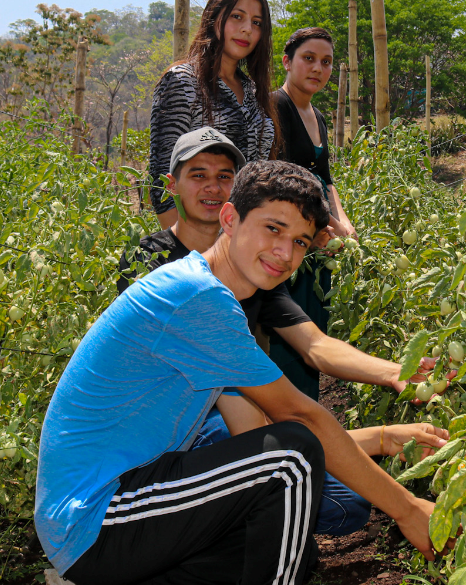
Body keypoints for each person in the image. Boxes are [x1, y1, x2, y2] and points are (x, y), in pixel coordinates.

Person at [37, 161, 450, 584]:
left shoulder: (209, 295)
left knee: (289, 535)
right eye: (273, 228)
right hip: (95, 521)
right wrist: (408, 510)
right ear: (230, 219)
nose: (285, 252)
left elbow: (255, 434)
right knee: (290, 461)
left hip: (118, 505)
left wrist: (383, 439)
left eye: (300, 241)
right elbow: (299, 419)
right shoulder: (197, 297)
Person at [119, 127, 445, 537]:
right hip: (177, 431)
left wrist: (395, 372)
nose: (212, 186)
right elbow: (273, 421)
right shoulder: (163, 269)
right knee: (295, 488)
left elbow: (314, 344)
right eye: (198, 175)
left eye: (224, 176)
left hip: (233, 409)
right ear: (173, 186)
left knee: (345, 504)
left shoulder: (256, 263)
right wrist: (385, 456)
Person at [149, 0, 279, 230]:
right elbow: (161, 180)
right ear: (213, 18)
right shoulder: (183, 81)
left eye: (257, 23)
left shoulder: (253, 91)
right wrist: (187, 247)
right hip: (198, 237)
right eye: (237, 16)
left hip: (244, 236)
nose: (247, 29)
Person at [270, 27, 356, 399]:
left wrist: (343, 221)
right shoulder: (276, 106)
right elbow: (282, 177)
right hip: (292, 233)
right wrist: (325, 223)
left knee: (314, 321)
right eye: (309, 59)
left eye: (326, 62)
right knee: (290, 328)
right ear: (287, 62)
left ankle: (307, 408)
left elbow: (325, 178)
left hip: (318, 233)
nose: (318, 68)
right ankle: (288, 411)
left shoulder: (316, 115)